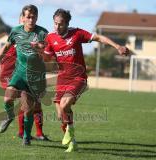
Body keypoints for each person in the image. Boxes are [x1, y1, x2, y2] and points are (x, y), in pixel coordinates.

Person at [43, 9, 129, 152]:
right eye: (55, 24)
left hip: (78, 77)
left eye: (61, 24)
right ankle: (73, 142)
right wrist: (40, 50)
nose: (57, 27)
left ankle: (70, 131)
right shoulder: (51, 37)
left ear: (67, 23)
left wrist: (117, 46)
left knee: (64, 105)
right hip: (62, 78)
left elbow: (99, 38)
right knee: (60, 114)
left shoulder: (77, 33)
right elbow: (46, 58)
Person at [0, 4, 48, 146]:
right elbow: (5, 48)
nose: (31, 20)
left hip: (34, 77)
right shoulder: (15, 31)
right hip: (19, 73)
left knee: (27, 109)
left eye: (34, 17)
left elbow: (49, 55)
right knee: (7, 98)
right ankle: (9, 115)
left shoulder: (43, 33)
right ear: (23, 18)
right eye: (28, 17)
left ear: (37, 17)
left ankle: (26, 136)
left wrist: (41, 49)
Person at [0, 14, 49, 141]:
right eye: (25, 18)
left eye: (32, 18)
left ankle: (35, 133)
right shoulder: (15, 38)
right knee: (26, 104)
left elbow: (44, 55)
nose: (28, 21)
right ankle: (24, 133)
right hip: (14, 76)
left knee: (33, 105)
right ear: (21, 20)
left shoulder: (36, 36)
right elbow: (5, 61)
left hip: (32, 76)